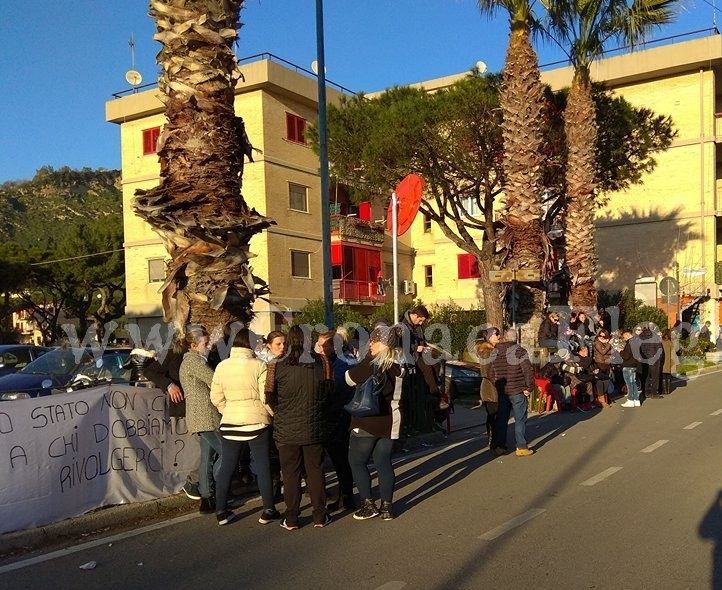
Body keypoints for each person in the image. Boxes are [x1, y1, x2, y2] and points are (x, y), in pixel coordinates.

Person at [210, 328, 280, 526]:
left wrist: (228, 410)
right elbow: (265, 397)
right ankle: (268, 510)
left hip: (230, 421)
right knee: (263, 466)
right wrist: (271, 415)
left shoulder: (222, 366)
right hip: (257, 422)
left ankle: (221, 511)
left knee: (227, 467)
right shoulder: (259, 365)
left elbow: (215, 397)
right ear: (250, 344)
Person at [266, 325, 332, 530]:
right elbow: (330, 391)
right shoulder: (322, 361)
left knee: (290, 474)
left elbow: (269, 395)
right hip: (314, 426)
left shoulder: (276, 364)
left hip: (286, 428)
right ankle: (320, 515)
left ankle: (292, 517)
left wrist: (281, 412)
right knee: (315, 471)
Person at [345, 324, 405, 520]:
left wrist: (365, 359)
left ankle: (368, 504)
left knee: (357, 462)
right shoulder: (400, 366)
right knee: (384, 463)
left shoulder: (371, 365)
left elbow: (348, 379)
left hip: (366, 421)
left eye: (374, 340)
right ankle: (387, 507)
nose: (370, 344)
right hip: (390, 421)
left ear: (384, 344)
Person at [143, 335, 200, 500]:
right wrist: (168, 385)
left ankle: (202, 481)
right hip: (186, 407)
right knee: (201, 448)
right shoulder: (173, 353)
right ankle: (194, 482)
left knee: (206, 447)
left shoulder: (210, 353)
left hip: (205, 407)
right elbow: (149, 371)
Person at [178, 326, 221, 515]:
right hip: (204, 417)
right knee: (226, 453)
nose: (209, 346)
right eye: (205, 343)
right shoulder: (194, 361)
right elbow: (214, 381)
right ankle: (215, 488)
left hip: (204, 416)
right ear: (194, 346)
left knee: (207, 457)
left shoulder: (195, 360)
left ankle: (207, 496)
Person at [317, 330, 356, 513]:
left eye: (323, 345)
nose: (320, 349)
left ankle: (346, 495)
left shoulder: (341, 363)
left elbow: (336, 388)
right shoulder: (330, 361)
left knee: (340, 458)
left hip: (338, 414)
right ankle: (345, 494)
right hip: (333, 414)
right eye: (318, 345)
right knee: (338, 458)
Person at [492, 328, 535, 457]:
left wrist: (497, 385)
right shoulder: (520, 351)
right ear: (516, 338)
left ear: (504, 338)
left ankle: (500, 446)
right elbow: (527, 370)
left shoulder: (495, 352)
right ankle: (521, 446)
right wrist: (529, 387)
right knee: (520, 419)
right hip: (517, 389)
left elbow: (491, 372)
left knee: (502, 419)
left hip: (502, 390)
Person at [400, 305, 445, 408]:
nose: (421, 323)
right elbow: (402, 344)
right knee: (426, 368)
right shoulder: (403, 326)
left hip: (420, 353)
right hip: (411, 356)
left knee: (436, 362)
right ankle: (434, 395)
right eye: (420, 320)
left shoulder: (418, 326)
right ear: (415, 316)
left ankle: (433, 386)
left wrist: (426, 347)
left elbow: (422, 340)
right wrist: (416, 348)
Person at [476, 327, 500, 447]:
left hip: (493, 386)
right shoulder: (487, 352)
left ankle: (495, 438)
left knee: (495, 414)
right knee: (492, 414)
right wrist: (498, 381)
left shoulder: (494, 351)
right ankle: (492, 439)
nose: (499, 336)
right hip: (490, 388)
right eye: (496, 334)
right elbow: (486, 371)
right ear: (489, 337)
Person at [639, 324, 663, 400]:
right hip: (654, 358)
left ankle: (646, 392)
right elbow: (659, 348)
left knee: (646, 375)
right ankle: (654, 393)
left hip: (644, 358)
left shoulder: (640, 337)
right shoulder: (655, 336)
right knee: (655, 376)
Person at [620, 329, 641, 408]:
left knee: (629, 383)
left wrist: (620, 351)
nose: (623, 338)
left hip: (628, 365)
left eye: (624, 336)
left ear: (627, 334)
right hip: (634, 365)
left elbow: (626, 356)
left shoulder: (629, 343)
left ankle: (630, 400)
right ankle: (636, 399)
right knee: (633, 383)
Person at [592, 329, 613, 407]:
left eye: (604, 336)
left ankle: (603, 396)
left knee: (607, 380)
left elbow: (611, 352)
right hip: (599, 363)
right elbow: (602, 352)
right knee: (600, 381)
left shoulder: (606, 342)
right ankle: (601, 399)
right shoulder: (597, 342)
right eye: (600, 335)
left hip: (607, 363)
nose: (602, 337)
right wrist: (609, 344)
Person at [661, 329, 677, 395]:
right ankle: (668, 390)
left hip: (663, 360)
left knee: (663, 375)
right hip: (669, 360)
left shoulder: (661, 341)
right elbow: (673, 351)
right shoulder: (670, 342)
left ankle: (664, 390)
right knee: (668, 375)